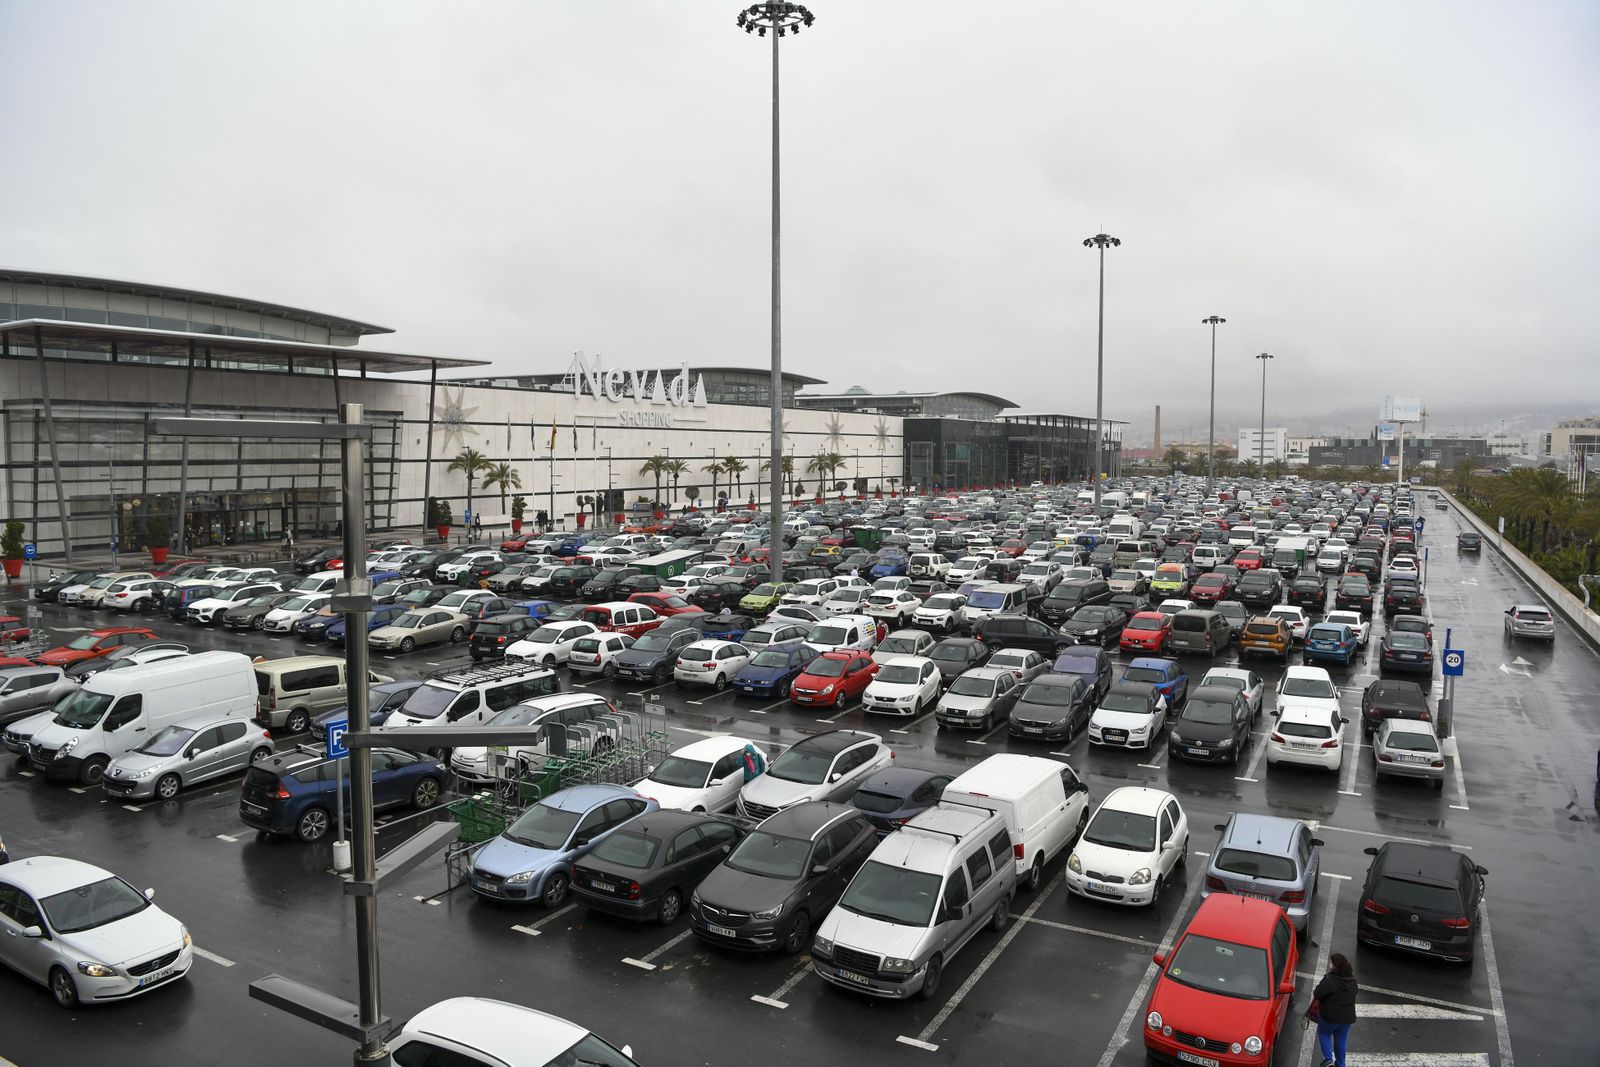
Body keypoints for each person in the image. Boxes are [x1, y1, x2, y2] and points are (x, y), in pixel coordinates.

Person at [1312, 952, 1358, 1067]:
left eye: (1331, 963)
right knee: (1341, 1039)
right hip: (1347, 1018)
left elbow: (1317, 993)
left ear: (1335, 966)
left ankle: (1328, 1060)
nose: (1330, 965)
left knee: (1324, 1034)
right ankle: (1341, 1064)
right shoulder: (1352, 981)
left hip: (1329, 1017)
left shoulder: (1330, 980)